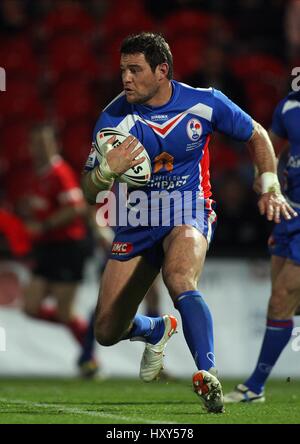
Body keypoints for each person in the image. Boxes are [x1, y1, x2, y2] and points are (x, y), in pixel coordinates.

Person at [81, 32, 296, 414]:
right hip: (136, 221)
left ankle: (207, 373)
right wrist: (103, 174)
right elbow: (87, 189)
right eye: (122, 70)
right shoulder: (114, 118)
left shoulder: (204, 102)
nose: (125, 78)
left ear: (162, 71)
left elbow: (258, 136)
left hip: (188, 208)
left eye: (135, 70)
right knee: (106, 331)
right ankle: (155, 328)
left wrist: (269, 185)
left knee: (179, 277)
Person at [224, 90, 300, 403]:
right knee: (284, 303)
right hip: (289, 213)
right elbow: (267, 144)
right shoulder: (290, 105)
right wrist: (263, 174)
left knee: (282, 298)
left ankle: (255, 386)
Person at [22, 123, 95, 374]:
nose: (40, 148)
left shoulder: (59, 172)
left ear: (55, 145)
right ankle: (83, 331)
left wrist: (43, 226)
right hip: (48, 248)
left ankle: (89, 357)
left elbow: (76, 208)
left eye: (45, 142)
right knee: (30, 307)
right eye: (36, 143)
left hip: (68, 247)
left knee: (64, 312)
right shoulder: (37, 174)